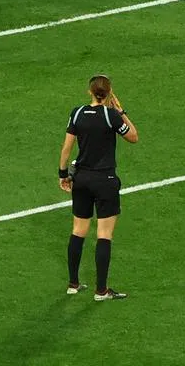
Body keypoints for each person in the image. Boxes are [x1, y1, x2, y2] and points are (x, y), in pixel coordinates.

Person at [58, 74, 138, 298]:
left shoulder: (78, 113)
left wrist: (63, 174)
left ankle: (73, 284)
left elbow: (66, 148)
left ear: (90, 92)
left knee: (78, 231)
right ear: (109, 93)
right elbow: (133, 137)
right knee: (104, 235)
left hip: (81, 179)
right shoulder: (111, 115)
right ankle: (101, 290)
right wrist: (121, 112)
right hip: (105, 181)